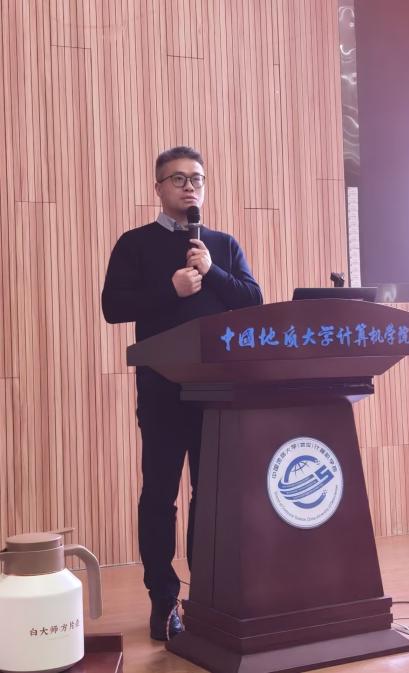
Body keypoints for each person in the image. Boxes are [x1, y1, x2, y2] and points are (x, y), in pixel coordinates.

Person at [101, 146, 263, 640]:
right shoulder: (135, 243)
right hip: (162, 388)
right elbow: (113, 307)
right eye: (178, 179)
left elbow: (253, 300)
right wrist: (170, 289)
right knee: (160, 494)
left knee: (209, 496)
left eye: (197, 178)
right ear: (158, 188)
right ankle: (163, 600)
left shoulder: (222, 245)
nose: (190, 186)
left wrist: (212, 271)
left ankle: (207, 593)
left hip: (217, 391)